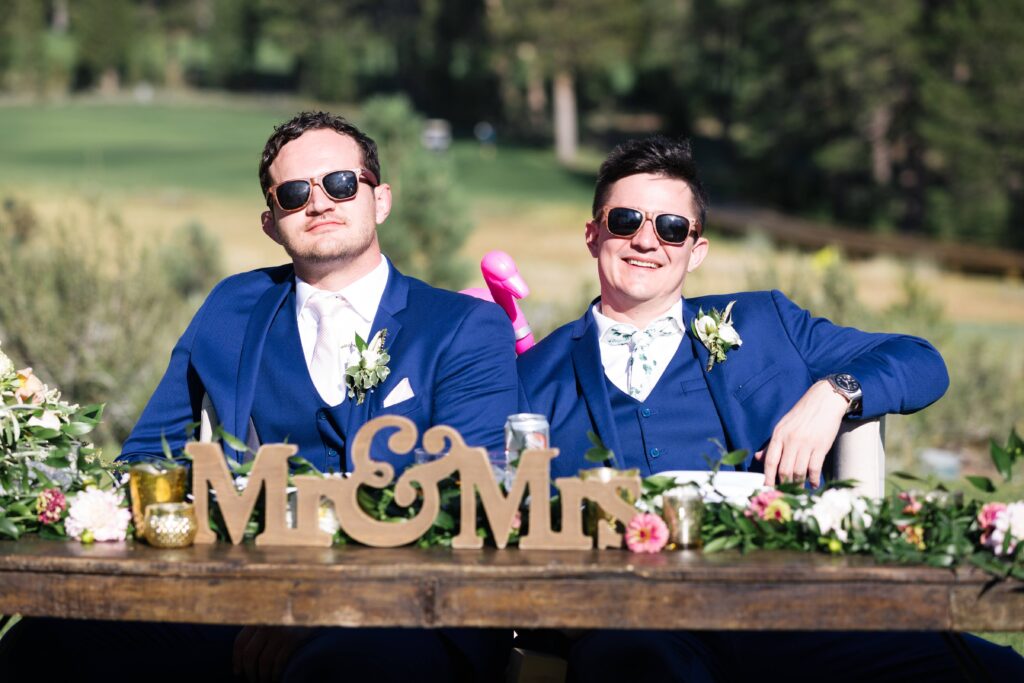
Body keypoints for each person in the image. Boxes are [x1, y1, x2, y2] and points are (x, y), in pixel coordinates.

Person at [1, 112, 517, 682]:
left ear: (381, 200)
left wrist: (325, 604)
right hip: (239, 597)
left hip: (406, 606)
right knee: (42, 641)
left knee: (335, 669)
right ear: (271, 223)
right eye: (294, 194)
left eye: (341, 183)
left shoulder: (463, 326)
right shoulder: (232, 308)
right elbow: (148, 458)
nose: (319, 203)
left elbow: (468, 499)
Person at [516, 136, 1024, 681]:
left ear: (695, 249)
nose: (646, 240)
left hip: (795, 609)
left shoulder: (765, 323)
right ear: (593, 235)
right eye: (625, 221)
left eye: (671, 228)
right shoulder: (533, 376)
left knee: (993, 672)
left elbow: (921, 361)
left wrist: (835, 392)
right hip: (639, 621)